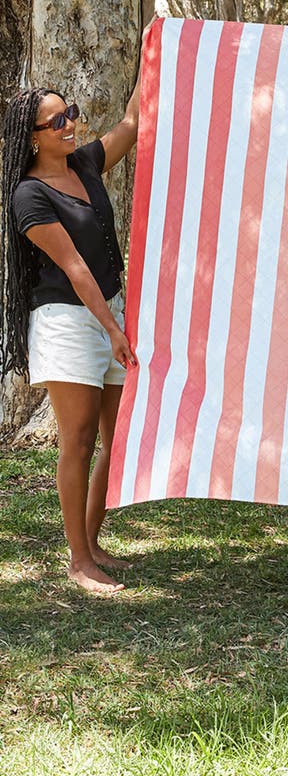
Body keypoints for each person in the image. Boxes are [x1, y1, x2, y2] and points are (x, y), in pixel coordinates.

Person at [0, 71, 142, 594]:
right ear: (32, 136)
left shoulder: (84, 163)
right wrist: (113, 330)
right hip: (67, 322)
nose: (70, 124)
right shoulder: (28, 197)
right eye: (56, 121)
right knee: (78, 442)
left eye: (72, 113)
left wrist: (156, 52)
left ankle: (95, 543)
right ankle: (78, 562)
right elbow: (75, 265)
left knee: (115, 438)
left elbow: (131, 123)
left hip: (109, 314)